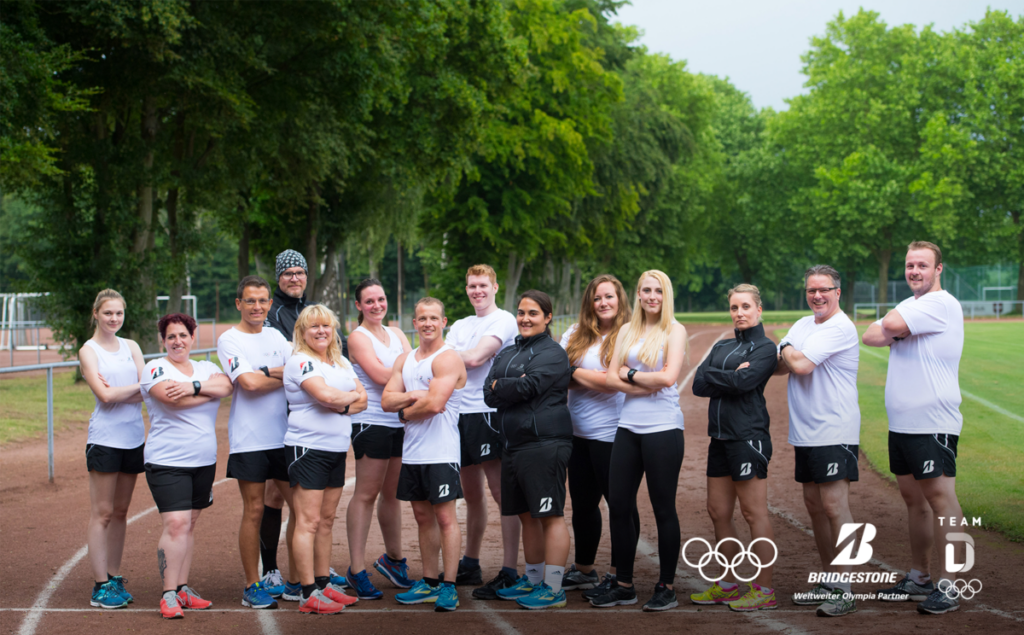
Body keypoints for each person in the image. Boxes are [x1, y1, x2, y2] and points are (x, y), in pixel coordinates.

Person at [862, 241, 966, 616]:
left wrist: (898, 328)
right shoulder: (913, 306)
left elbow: (886, 326)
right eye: (909, 265)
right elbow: (871, 336)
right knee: (913, 500)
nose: (914, 271)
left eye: (922, 265)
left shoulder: (941, 303)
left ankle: (953, 584)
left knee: (941, 499)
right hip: (902, 424)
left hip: (932, 421)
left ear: (939, 269)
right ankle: (920, 576)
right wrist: (899, 328)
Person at [592, 270, 687, 612]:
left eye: (657, 290)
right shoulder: (627, 331)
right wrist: (643, 381)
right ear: (638, 294)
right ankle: (624, 585)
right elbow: (611, 376)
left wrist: (632, 375)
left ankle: (666, 586)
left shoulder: (674, 330)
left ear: (666, 294)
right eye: (645, 290)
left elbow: (668, 377)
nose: (651, 296)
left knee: (663, 509)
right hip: (628, 427)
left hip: (663, 429)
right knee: (618, 505)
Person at [260, 248, 349, 594]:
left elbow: (327, 358)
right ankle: (274, 571)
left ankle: (307, 574)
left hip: (313, 414)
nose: (294, 278)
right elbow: (294, 361)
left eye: (300, 272)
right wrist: (305, 372)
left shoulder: (310, 311)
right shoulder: (274, 312)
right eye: (288, 273)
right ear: (278, 278)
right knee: (278, 496)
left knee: (298, 503)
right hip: (285, 414)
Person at [775, 265, 861, 617]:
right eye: (812, 290)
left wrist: (786, 348)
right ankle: (829, 578)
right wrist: (788, 352)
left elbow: (801, 366)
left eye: (824, 289)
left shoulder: (840, 326)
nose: (817, 296)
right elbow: (782, 366)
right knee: (813, 505)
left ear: (838, 292)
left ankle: (846, 588)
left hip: (834, 429)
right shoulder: (803, 325)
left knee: (834, 507)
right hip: (806, 431)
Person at [690, 284, 779, 612]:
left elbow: (745, 383)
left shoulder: (766, 348)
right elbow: (699, 384)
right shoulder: (723, 345)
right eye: (734, 307)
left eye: (745, 307)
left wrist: (721, 376)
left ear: (758, 310)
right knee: (718, 512)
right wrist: (728, 374)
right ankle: (728, 583)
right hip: (720, 440)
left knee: (754, 513)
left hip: (748, 438)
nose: (739, 313)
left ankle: (764, 588)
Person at [484, 290, 573, 610]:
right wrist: (507, 385)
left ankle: (553, 588)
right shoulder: (507, 353)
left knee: (549, 516)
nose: (525, 318)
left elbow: (529, 386)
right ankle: (533, 581)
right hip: (513, 445)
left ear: (548, 318)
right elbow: (488, 394)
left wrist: (504, 385)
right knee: (527, 516)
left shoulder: (553, 352)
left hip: (544, 443)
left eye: (533, 313)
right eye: (521, 312)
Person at [140, 313, 233, 619]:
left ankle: (182, 589)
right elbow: (169, 399)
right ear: (162, 341)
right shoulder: (155, 368)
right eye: (171, 337)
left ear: (193, 337)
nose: (177, 341)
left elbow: (226, 387)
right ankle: (168, 594)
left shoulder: (206, 368)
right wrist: (206, 393)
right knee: (176, 524)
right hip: (167, 461)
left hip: (203, 460)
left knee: (189, 524)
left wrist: (193, 387)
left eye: (182, 335)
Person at [381, 297, 468, 612]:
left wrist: (404, 413)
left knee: (445, 517)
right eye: (422, 318)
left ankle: (449, 586)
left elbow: (435, 406)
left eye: (434, 318)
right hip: (413, 452)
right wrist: (412, 395)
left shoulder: (448, 359)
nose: (428, 323)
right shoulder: (405, 360)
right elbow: (386, 401)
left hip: (441, 452)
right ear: (414, 323)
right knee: (422, 517)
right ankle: (429, 582)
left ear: (444, 322)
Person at [557, 275, 640, 599]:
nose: (603, 303)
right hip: (578, 433)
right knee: (582, 504)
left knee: (620, 506)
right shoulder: (575, 333)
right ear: (589, 303)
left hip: (615, 433)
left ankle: (621, 577)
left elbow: (614, 381)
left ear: (619, 299)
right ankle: (584, 569)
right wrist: (595, 377)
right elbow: (557, 374)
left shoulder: (630, 334)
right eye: (596, 298)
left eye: (609, 296)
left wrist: (574, 373)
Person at [444, 264, 522, 598]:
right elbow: (446, 359)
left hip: (487, 412)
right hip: (457, 413)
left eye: (482, 285)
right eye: (472, 285)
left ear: (495, 287)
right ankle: (471, 562)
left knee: (501, 492)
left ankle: (509, 568)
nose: (477, 291)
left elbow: (474, 359)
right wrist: (445, 357)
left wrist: (445, 356)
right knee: (471, 494)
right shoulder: (461, 324)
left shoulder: (503, 319)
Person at [216, 276, 294, 610]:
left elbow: (302, 368)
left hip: (285, 437)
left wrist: (266, 371)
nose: (257, 307)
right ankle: (253, 585)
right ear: (239, 304)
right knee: (255, 510)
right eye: (250, 301)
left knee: (303, 510)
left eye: (263, 301)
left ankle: (303, 580)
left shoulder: (276, 335)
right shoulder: (228, 339)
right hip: (249, 439)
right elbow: (247, 383)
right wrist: (282, 375)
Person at [283, 304, 366, 614]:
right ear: (302, 332)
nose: (321, 331)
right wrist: (342, 400)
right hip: (308, 449)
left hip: (335, 449)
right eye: (313, 326)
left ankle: (322, 583)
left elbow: (364, 399)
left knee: (326, 521)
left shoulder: (341, 361)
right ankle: (307, 593)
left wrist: (338, 402)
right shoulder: (299, 362)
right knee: (308, 522)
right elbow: (326, 396)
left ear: (333, 330)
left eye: (326, 326)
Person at [346, 278, 414, 598]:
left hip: (399, 422)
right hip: (371, 422)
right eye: (369, 301)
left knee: (393, 494)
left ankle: (394, 559)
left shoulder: (397, 333)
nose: (377, 305)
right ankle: (356, 569)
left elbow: (415, 365)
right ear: (358, 306)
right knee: (366, 494)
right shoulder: (357, 337)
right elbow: (380, 376)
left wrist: (413, 374)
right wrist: (414, 378)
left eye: (381, 299)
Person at [78, 289, 146, 609]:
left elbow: (147, 390)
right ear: (96, 313)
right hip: (105, 439)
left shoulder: (131, 346)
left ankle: (114, 576)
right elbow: (105, 397)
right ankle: (100, 585)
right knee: (102, 512)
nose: (114, 319)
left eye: (118, 313)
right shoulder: (88, 351)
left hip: (134, 437)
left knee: (121, 512)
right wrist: (134, 389)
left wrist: (121, 390)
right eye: (108, 313)